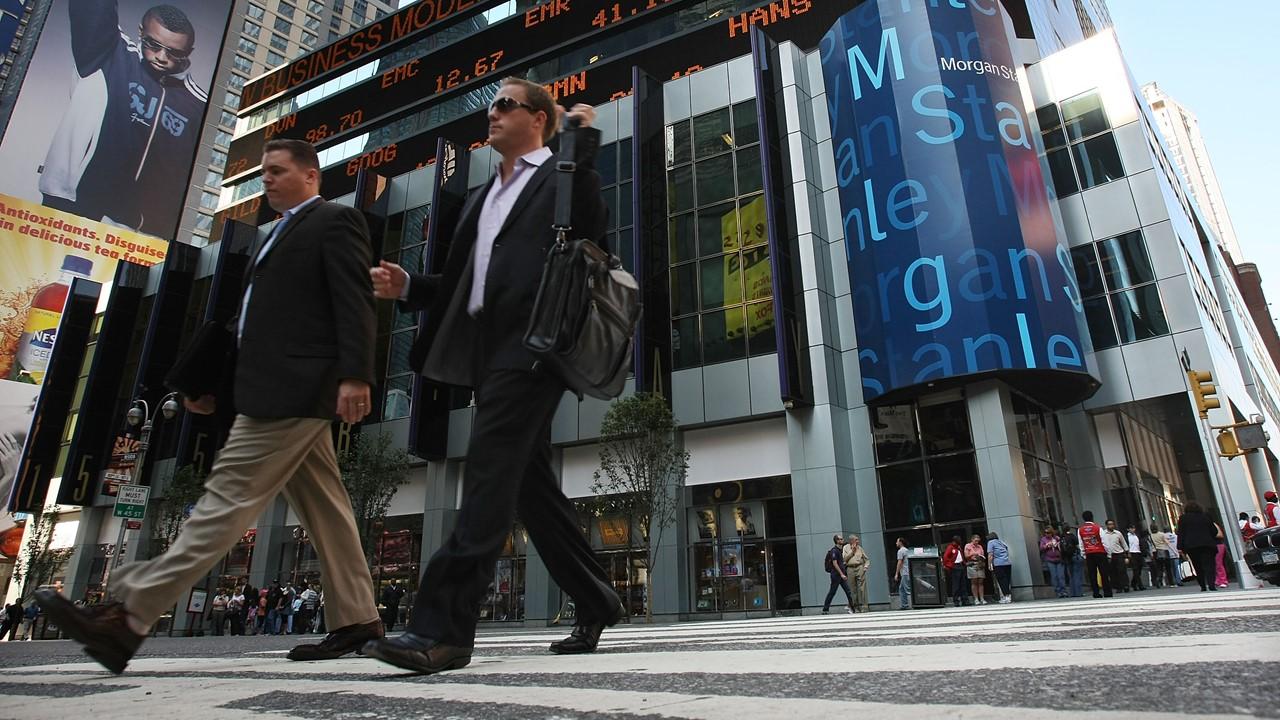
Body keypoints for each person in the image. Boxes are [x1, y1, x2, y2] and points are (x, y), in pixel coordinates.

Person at [34, 138, 384, 674]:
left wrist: (356, 374)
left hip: (291, 389)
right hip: (267, 385)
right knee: (326, 505)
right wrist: (215, 384)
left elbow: (354, 298)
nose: (265, 179)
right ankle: (358, 617)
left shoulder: (334, 222)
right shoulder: (277, 233)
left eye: (277, 171)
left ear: (311, 176)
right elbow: (250, 324)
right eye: (263, 171)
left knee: (225, 499)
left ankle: (128, 616)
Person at [363, 78, 620, 675]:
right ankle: (596, 598)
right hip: (488, 355)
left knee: (486, 477)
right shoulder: (482, 197)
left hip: (533, 349)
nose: (492, 114)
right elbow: (460, 287)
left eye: (504, 104)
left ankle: (443, 631)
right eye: (490, 106)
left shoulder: (558, 174)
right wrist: (411, 289)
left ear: (538, 118)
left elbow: (592, 227)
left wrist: (581, 145)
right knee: (526, 485)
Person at [40, 1, 208, 234]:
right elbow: (92, 8)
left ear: (188, 53)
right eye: (153, 44)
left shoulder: (197, 105)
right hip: (68, 206)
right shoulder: (108, 53)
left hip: (131, 232)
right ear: (141, 32)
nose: (161, 57)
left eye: (174, 52)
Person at [1177, 502, 1222, 592]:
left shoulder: (1183, 518)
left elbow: (1181, 533)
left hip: (1192, 546)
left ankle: (1202, 586)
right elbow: (1213, 531)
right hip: (1207, 544)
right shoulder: (1205, 517)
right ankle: (1211, 585)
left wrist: (1180, 547)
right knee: (1209, 565)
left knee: (1197, 566)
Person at [1078, 511, 1112, 598]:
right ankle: (1107, 592)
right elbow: (1104, 542)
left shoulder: (1080, 530)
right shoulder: (1098, 528)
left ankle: (1096, 593)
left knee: (1092, 574)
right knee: (1104, 573)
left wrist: (1084, 554)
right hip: (1100, 552)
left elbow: (1081, 543)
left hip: (1089, 553)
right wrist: (1108, 553)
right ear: (1092, 517)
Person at [820, 534, 855, 614]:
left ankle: (853, 609)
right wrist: (842, 574)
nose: (842, 540)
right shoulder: (834, 551)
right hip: (836, 575)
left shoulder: (840, 550)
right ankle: (825, 609)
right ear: (837, 541)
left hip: (841, 575)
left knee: (848, 591)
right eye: (841, 539)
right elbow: (835, 563)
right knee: (832, 592)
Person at [843, 535, 870, 613]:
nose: (858, 541)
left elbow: (866, 559)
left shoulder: (860, 548)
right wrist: (852, 551)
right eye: (856, 540)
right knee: (852, 589)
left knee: (862, 587)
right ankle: (856, 607)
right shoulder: (846, 548)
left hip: (859, 567)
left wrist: (865, 566)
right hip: (850, 568)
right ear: (851, 541)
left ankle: (865, 606)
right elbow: (844, 559)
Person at [1101, 519, 1129, 593]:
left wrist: (1126, 555)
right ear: (1106, 525)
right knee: (1113, 571)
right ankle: (1118, 587)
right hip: (1109, 555)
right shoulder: (1103, 534)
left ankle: (1125, 585)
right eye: (1109, 524)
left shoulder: (1118, 533)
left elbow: (1124, 543)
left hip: (1119, 553)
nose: (1111, 526)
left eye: (1112, 524)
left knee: (1122, 570)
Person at [1039, 526, 1067, 598]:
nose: (1046, 534)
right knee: (1054, 576)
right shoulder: (1043, 539)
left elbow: (1063, 546)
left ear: (1052, 533)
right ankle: (1058, 591)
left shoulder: (1056, 538)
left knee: (1061, 576)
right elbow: (1041, 548)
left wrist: (1057, 545)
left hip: (1059, 559)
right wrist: (1047, 546)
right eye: (1045, 533)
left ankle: (1063, 591)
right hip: (1050, 560)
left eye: (1048, 533)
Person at [986, 532, 1013, 604]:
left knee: (1001, 580)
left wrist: (989, 564)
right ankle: (1008, 596)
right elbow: (1006, 548)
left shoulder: (990, 542)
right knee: (1007, 580)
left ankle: (1006, 596)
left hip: (998, 564)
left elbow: (990, 554)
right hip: (1007, 562)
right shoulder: (1000, 542)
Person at [942, 535, 968, 607]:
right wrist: (949, 565)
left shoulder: (958, 548)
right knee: (956, 585)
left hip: (961, 565)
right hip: (955, 566)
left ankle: (965, 600)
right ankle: (956, 600)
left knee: (963, 584)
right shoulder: (950, 547)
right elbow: (945, 557)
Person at [1060, 524, 1084, 597]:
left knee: (1071, 576)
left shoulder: (1061, 537)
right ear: (1069, 529)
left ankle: (1072, 592)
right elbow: (1077, 544)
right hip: (1074, 556)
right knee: (1077, 574)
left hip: (1067, 558)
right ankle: (1078, 592)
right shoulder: (1072, 536)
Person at [964, 534, 987, 605]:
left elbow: (982, 555)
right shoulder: (968, 546)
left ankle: (982, 598)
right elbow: (966, 556)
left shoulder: (980, 546)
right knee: (974, 582)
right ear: (972, 539)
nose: (977, 542)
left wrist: (980, 557)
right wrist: (972, 554)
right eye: (975, 541)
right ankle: (976, 599)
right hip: (972, 564)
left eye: (978, 541)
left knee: (980, 582)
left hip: (979, 564)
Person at [1125, 524, 1147, 591]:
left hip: (1138, 553)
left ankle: (1133, 583)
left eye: (1134, 528)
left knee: (1139, 568)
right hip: (1132, 553)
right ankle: (1140, 585)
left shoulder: (1137, 535)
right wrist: (1127, 555)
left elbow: (1140, 544)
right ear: (1128, 529)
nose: (1133, 529)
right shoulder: (1126, 537)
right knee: (1135, 569)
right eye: (1131, 528)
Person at [893, 537, 912, 610]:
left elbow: (899, 562)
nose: (896, 543)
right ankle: (904, 605)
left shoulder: (900, 551)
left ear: (900, 542)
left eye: (897, 541)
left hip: (905, 572)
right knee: (902, 589)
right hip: (907, 572)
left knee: (907, 589)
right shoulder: (907, 550)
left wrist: (896, 573)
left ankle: (911, 604)